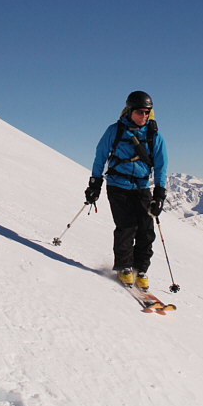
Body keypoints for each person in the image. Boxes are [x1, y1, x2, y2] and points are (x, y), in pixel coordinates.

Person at [85, 91, 168, 291]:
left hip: (141, 188)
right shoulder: (114, 131)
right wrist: (95, 183)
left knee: (146, 231)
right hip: (117, 186)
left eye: (147, 112)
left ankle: (141, 269)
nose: (144, 116)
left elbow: (161, 165)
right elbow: (100, 156)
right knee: (127, 227)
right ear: (130, 111)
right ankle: (124, 267)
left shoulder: (154, 135)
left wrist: (159, 193)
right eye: (140, 112)